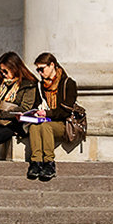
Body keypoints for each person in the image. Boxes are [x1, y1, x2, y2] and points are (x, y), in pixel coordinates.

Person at [27, 52, 79, 182]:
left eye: (42, 69)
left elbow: (66, 110)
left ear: (52, 65)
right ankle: (36, 162)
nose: (40, 72)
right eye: (37, 69)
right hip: (45, 121)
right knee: (34, 126)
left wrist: (48, 114)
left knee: (45, 126)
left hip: (63, 123)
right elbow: (36, 104)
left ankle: (49, 163)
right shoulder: (40, 86)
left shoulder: (68, 83)